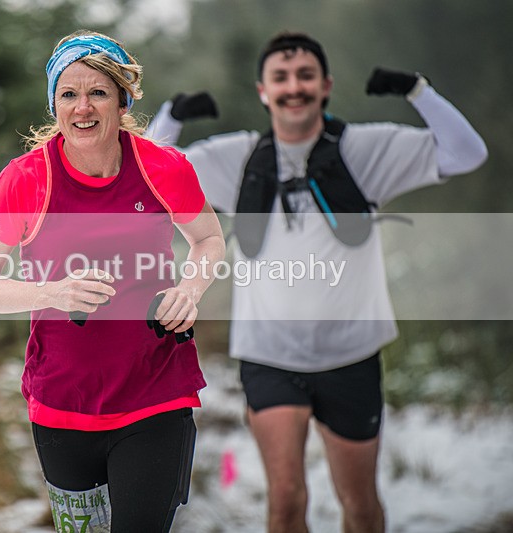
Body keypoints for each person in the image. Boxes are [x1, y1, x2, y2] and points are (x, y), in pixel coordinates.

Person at [147, 31, 487, 533]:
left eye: (305, 75)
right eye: (280, 78)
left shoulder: (365, 149)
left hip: (350, 355)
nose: (294, 87)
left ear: (325, 85)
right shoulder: (234, 158)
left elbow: (466, 153)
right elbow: (147, 172)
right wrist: (171, 116)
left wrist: (418, 91)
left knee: (361, 506)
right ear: (262, 90)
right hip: (268, 356)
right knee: (284, 503)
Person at [0, 30, 225, 532]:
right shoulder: (27, 179)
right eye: (69, 93)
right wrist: (51, 292)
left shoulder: (164, 168)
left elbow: (208, 240)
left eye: (98, 92)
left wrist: (189, 290)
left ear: (122, 100)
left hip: (156, 392)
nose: (83, 107)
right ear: (54, 103)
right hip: (62, 405)